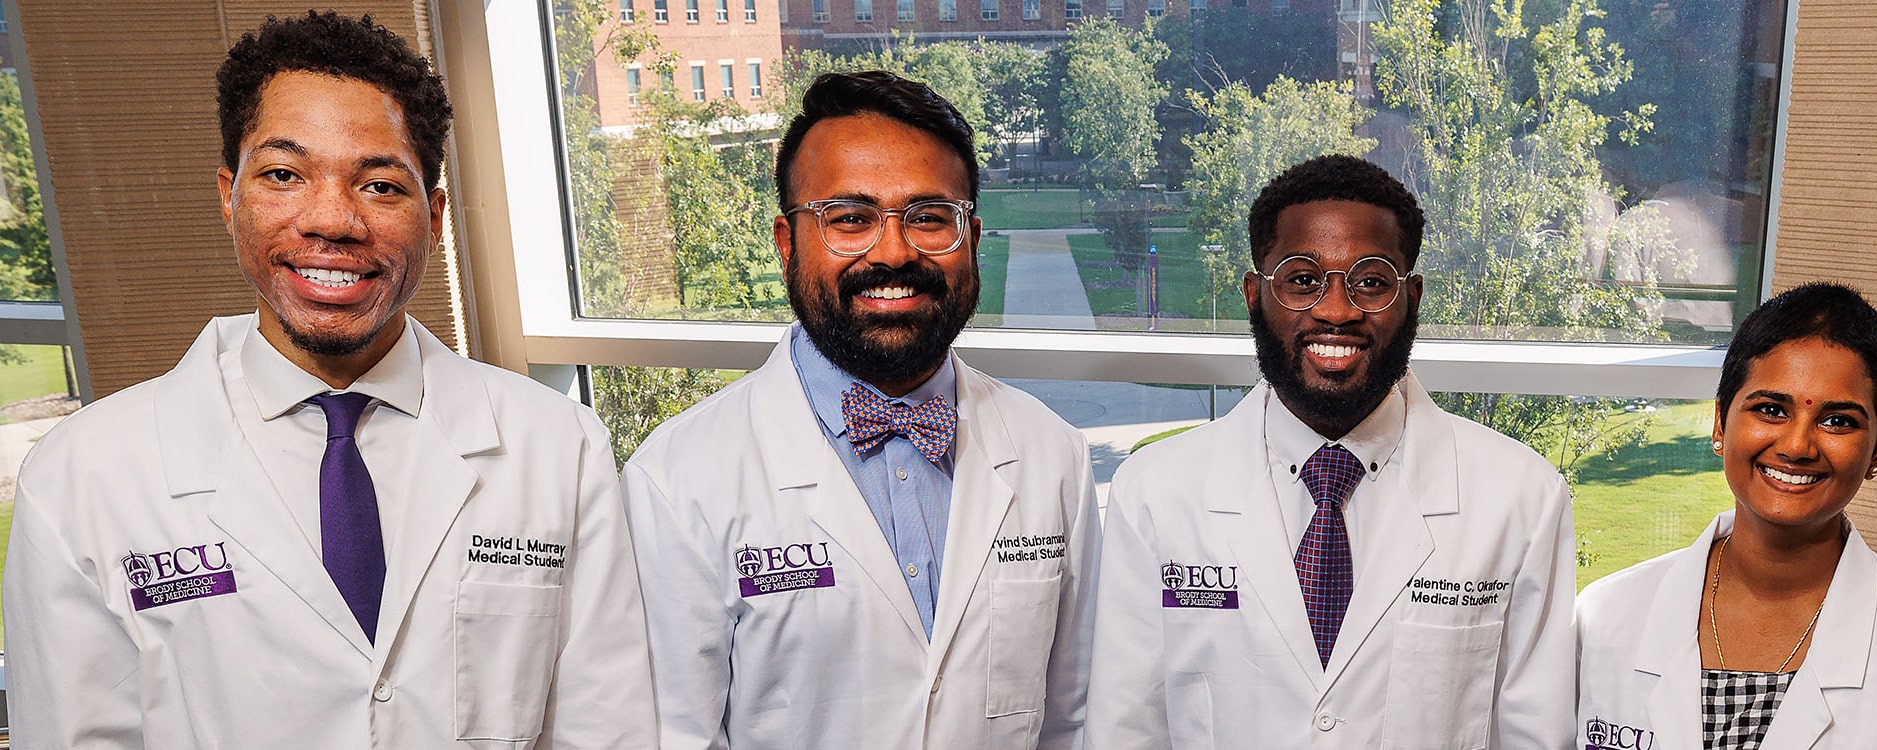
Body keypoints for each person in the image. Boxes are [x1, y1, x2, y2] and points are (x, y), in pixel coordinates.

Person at [0, 12, 655, 748]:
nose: (333, 220)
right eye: (284, 174)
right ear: (229, 194)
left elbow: (609, 729)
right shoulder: (84, 477)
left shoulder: (557, 446)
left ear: (434, 216)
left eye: (380, 185)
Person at [621, 70, 1097, 750]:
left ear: (974, 239)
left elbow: (1073, 721)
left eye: (930, 217)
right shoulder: (676, 480)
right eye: (850, 219)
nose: (894, 251)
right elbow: (670, 737)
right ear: (787, 245)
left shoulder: (1053, 455)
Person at [1084, 154, 1576, 748]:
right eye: (1301, 279)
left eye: (1370, 282)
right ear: (1253, 294)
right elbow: (1125, 729)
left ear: (1412, 297)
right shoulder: (1157, 492)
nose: (1337, 310)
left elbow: (1536, 734)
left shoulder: (1521, 496)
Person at [1576, 283, 1877, 749]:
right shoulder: (1602, 619)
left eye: (1838, 420)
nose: (1797, 446)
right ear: (1720, 422)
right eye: (1770, 409)